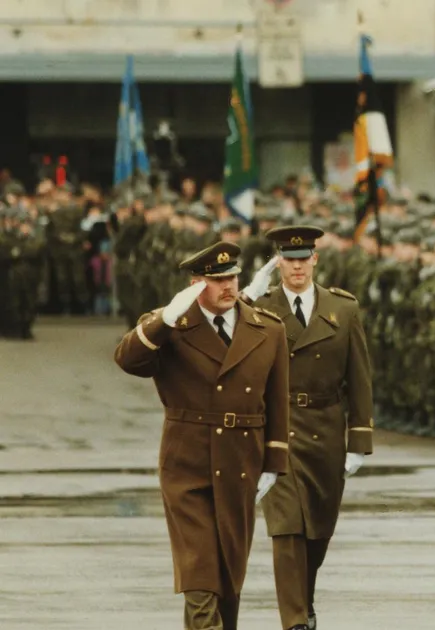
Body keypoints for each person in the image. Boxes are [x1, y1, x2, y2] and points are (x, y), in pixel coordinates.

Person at [113, 241, 290, 630]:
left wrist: (274, 461)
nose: (228, 286)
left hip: (241, 460)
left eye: (232, 278)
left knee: (228, 571)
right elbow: (127, 359)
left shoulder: (268, 328)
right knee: (199, 570)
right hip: (188, 462)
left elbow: (277, 402)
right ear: (196, 285)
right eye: (217, 280)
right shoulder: (172, 327)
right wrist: (163, 320)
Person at [243, 225, 374, 630]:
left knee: (317, 529)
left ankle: (305, 597)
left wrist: (359, 439)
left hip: (325, 427)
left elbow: (359, 376)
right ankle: (295, 620)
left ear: (315, 260)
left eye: (303, 260)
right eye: (288, 260)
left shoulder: (343, 308)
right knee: (286, 528)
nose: (296, 267)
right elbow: (225, 335)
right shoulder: (259, 307)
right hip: (276, 427)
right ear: (278, 262)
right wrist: (246, 297)